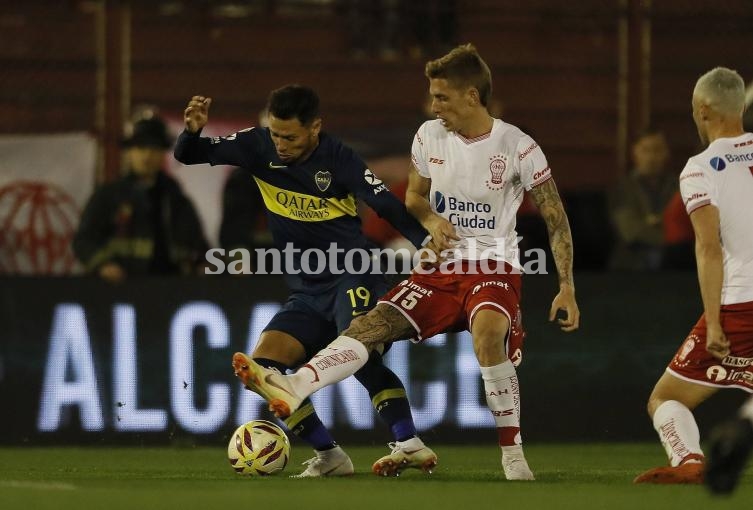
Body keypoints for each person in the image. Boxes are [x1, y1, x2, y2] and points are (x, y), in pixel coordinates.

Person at [232, 44, 580, 481]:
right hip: (437, 270)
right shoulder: (427, 136)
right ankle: (297, 383)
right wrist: (431, 220)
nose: (433, 106)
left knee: (489, 333)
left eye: (441, 97)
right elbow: (414, 196)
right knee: (369, 327)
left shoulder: (518, 146)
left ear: (472, 96)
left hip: (493, 266)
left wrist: (566, 284)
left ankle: (513, 456)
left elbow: (554, 214)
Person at [175, 85, 438, 477]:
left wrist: (425, 243)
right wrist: (191, 132)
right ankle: (331, 456)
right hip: (308, 288)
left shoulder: (339, 158)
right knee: (264, 371)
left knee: (361, 353)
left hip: (353, 273)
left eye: (290, 137)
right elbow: (188, 155)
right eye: (276, 134)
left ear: (315, 127)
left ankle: (409, 443)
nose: (280, 144)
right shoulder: (256, 145)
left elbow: (385, 205)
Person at [632, 67, 753, 486]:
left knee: (665, 397)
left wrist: (715, 321)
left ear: (703, 109)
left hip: (742, 303)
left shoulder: (700, 168)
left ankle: (689, 461)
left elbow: (708, 247)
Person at [73, 114, 209, 283]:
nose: (147, 156)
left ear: (162, 154)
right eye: (140, 148)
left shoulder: (176, 199)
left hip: (171, 289)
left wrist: (202, 265)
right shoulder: (109, 196)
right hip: (121, 288)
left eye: (153, 149)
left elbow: (197, 245)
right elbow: (84, 240)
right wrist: (103, 265)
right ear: (129, 153)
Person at [608, 129, 676, 271]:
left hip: (675, 258)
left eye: (657, 150)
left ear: (666, 153)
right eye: (645, 150)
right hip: (632, 261)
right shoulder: (623, 189)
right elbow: (631, 231)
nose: (651, 157)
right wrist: (671, 236)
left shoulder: (680, 186)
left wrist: (652, 221)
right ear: (635, 153)